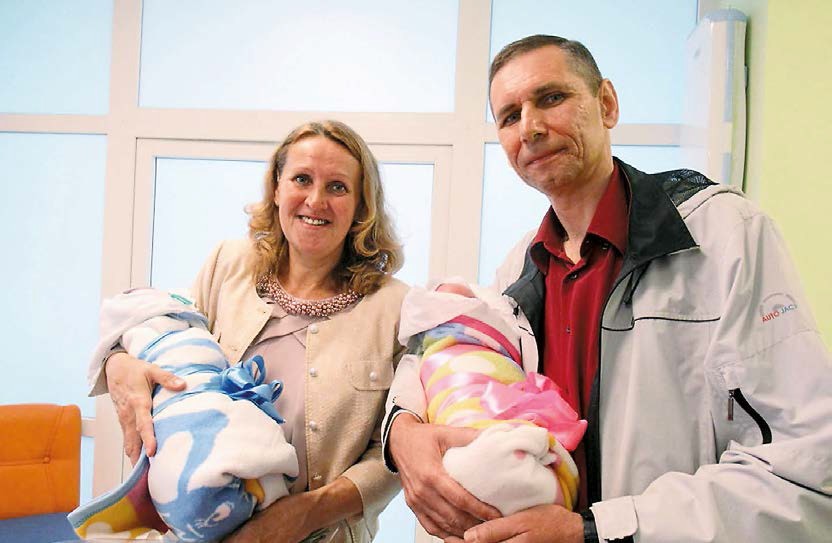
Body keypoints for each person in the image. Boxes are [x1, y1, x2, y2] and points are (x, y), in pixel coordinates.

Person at [382, 35, 832, 543]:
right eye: (509, 116)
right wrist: (402, 428)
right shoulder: (518, 270)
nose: (530, 128)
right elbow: (441, 346)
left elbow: (807, 468)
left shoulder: (723, 235)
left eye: (551, 98)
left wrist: (595, 532)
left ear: (607, 104)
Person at [87, 120, 409, 543]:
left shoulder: (396, 308)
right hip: (197, 528)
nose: (316, 200)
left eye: (337, 187)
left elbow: (395, 455)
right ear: (276, 188)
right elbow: (170, 334)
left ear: (361, 205)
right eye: (302, 179)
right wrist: (118, 361)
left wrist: (306, 513)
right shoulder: (229, 264)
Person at [395, 282, 586, 515]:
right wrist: (402, 428)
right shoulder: (429, 354)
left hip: (499, 433)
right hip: (468, 427)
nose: (447, 301)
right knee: (465, 461)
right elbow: (411, 377)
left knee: (480, 456)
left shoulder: (493, 320)